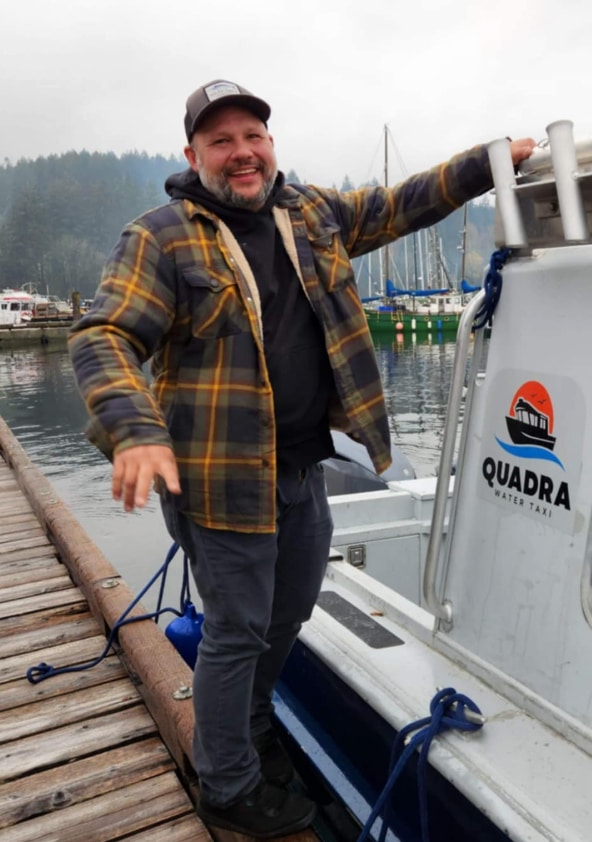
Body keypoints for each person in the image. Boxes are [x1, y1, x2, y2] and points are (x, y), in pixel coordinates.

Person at [69, 78, 536, 839]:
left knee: (287, 615)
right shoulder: (161, 236)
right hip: (220, 485)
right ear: (193, 154)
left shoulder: (311, 214)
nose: (242, 152)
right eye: (222, 140)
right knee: (236, 631)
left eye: (253, 135)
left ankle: (250, 730)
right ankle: (226, 785)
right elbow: (105, 335)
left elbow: (404, 202)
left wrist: (488, 164)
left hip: (302, 471)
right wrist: (135, 429)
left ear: (270, 143)